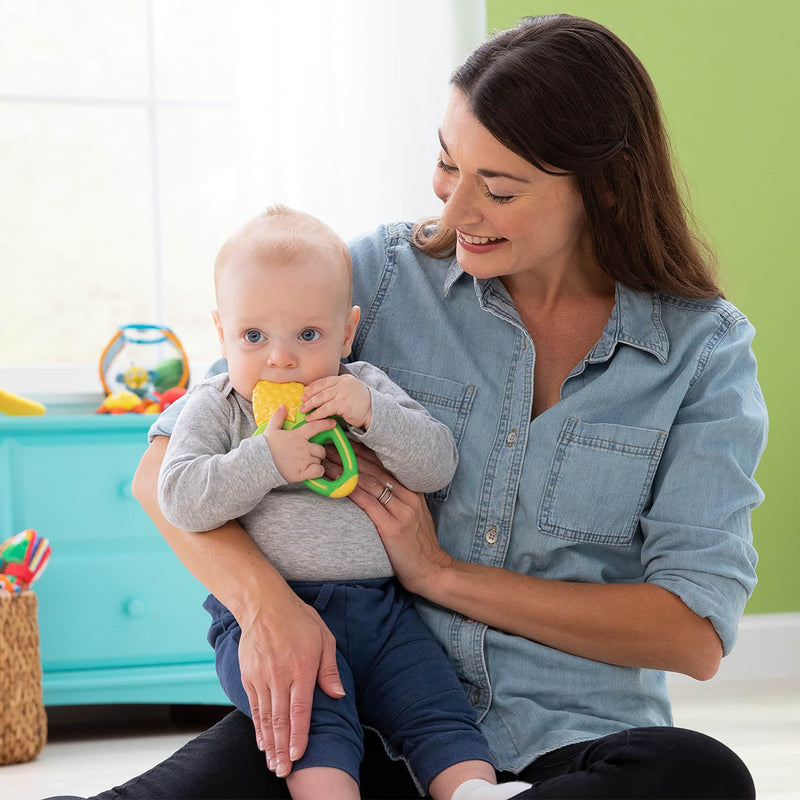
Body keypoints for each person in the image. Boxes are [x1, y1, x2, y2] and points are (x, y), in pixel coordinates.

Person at [73, 13, 766, 800]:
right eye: (447, 165)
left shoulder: (701, 353)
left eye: (497, 188)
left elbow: (692, 633)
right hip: (342, 715)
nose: (455, 207)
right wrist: (267, 608)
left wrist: (440, 574)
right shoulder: (374, 275)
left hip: (569, 738)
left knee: (703, 779)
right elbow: (162, 476)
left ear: (605, 186)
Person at [154, 206, 530, 800]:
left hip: (382, 608)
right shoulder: (218, 405)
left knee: (437, 707)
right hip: (278, 611)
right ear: (222, 331)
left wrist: (372, 416)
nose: (281, 358)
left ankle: (473, 792)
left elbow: (437, 466)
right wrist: (265, 462)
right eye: (254, 337)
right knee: (315, 728)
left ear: (346, 332)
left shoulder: (361, 387)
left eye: (308, 335)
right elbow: (178, 498)